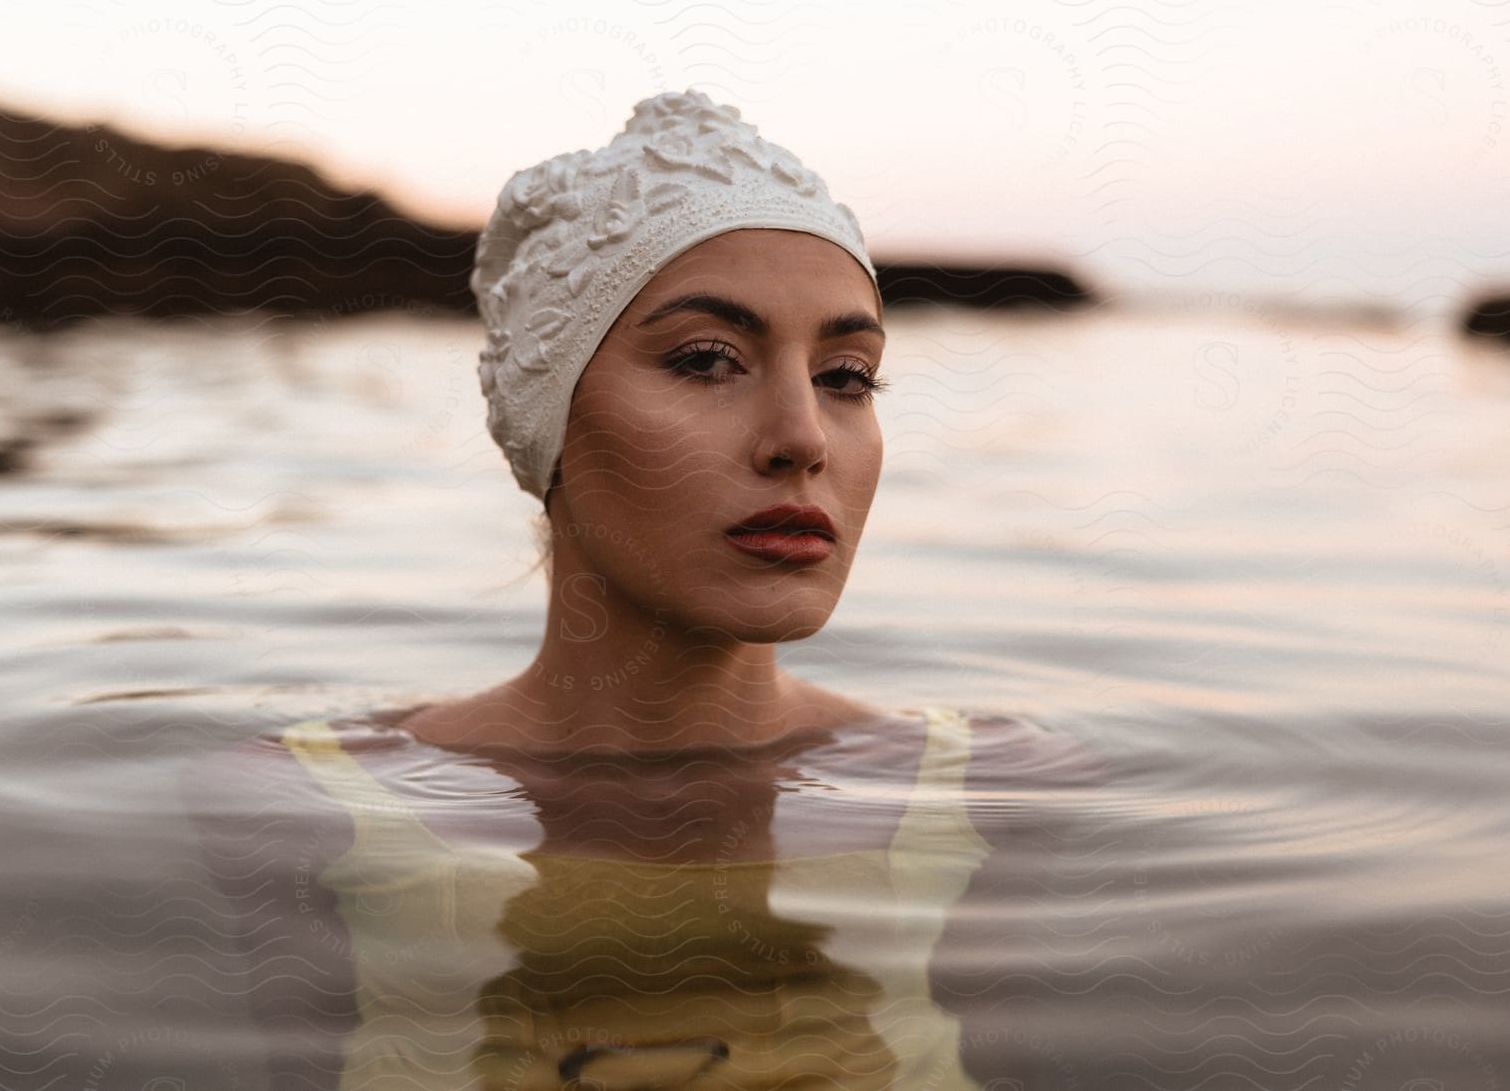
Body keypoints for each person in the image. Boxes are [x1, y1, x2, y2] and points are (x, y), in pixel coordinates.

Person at [182, 89, 1098, 1090]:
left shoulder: (993, 792)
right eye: (708, 360)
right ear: (548, 415)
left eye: (847, 375)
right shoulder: (305, 806)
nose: (800, 437)